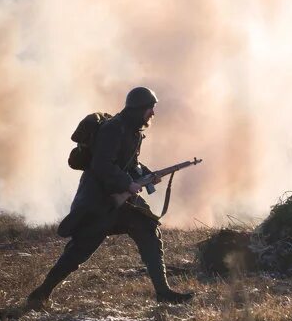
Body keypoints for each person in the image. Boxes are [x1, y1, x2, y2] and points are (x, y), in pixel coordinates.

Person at [25, 87, 192, 307]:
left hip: (123, 201)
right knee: (79, 250)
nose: (153, 113)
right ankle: (41, 293)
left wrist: (147, 175)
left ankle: (163, 292)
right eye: (150, 108)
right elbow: (102, 165)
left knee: (149, 231)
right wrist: (128, 184)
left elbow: (130, 164)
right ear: (139, 108)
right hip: (98, 201)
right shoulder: (114, 129)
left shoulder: (133, 132)